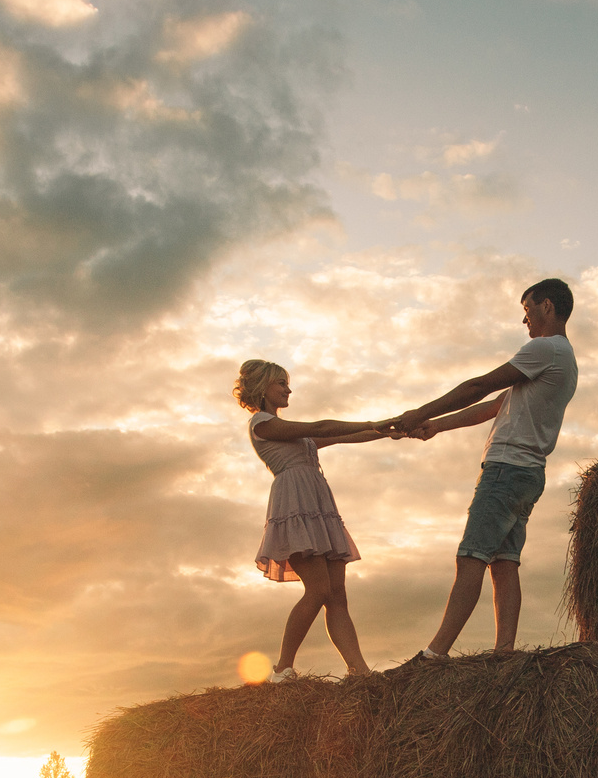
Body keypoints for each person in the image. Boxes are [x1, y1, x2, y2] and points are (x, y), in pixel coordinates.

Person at [389, 277, 578, 660]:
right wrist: (438, 425)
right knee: (503, 563)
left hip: (506, 469)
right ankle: (504, 653)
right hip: (529, 472)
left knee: (470, 556)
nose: (524, 322)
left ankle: (435, 654)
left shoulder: (546, 348)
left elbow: (480, 386)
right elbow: (495, 405)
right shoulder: (562, 358)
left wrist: (419, 411)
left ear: (546, 307)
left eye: (527, 311)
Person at [234, 359, 391, 680]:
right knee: (318, 590)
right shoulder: (262, 423)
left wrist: (387, 430)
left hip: (317, 505)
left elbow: (343, 436)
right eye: (281, 383)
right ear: (263, 387)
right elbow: (320, 428)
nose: (288, 389)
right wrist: (378, 420)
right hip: (294, 505)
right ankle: (282, 668)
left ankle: (358, 670)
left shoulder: (291, 432)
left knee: (337, 596)